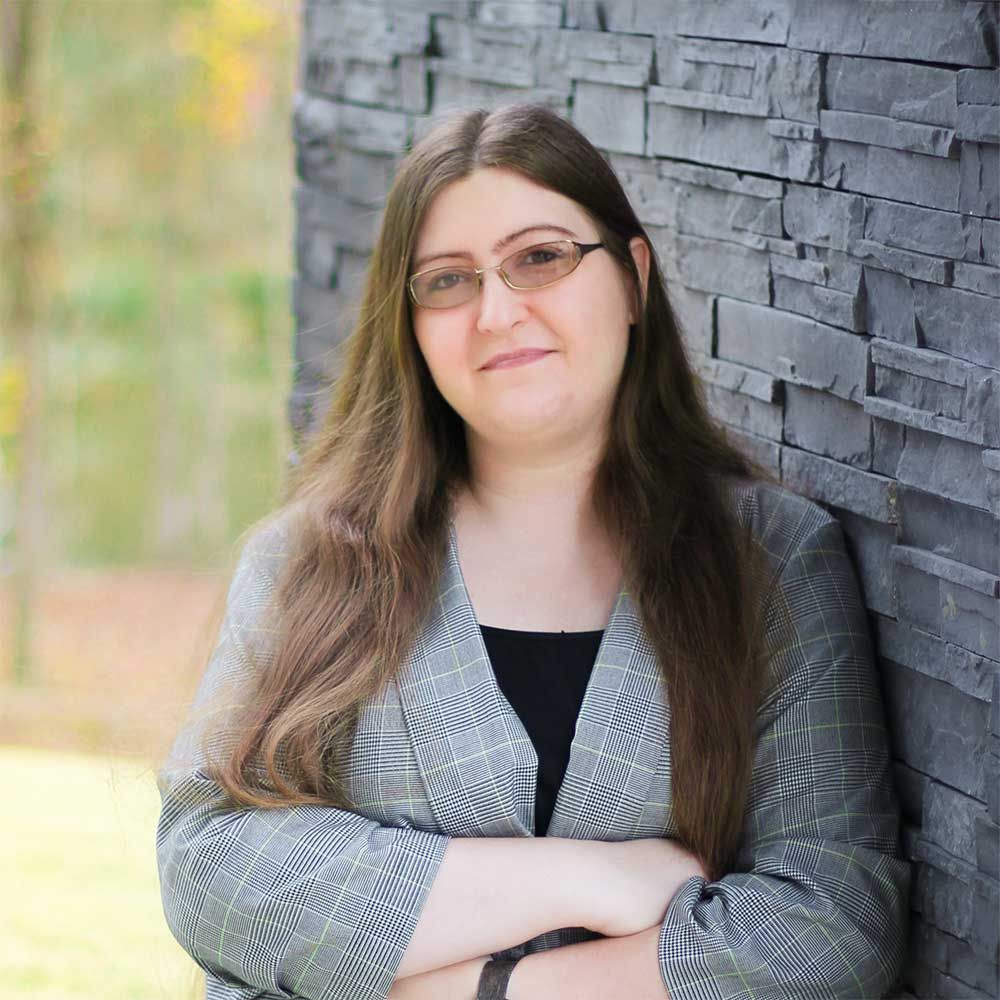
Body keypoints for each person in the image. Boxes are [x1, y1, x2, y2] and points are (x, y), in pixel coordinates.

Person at [156, 102, 911, 1000]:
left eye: (541, 258)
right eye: (447, 281)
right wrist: (582, 878)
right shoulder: (311, 563)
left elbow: (832, 923)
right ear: (411, 325)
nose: (497, 312)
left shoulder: (770, 565)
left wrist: (485, 992)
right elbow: (213, 863)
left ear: (632, 280)